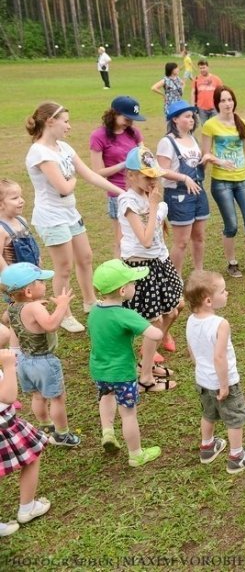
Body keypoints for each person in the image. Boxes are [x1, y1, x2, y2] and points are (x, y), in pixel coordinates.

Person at [25, 102, 125, 333]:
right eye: (65, 121)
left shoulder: (64, 147)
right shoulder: (40, 152)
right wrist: (74, 182)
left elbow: (89, 174)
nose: (69, 126)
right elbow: (63, 186)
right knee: (64, 268)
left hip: (70, 213)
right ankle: (64, 313)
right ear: (50, 121)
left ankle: (90, 302)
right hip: (51, 217)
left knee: (86, 257)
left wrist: (122, 193)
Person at [117, 146, 183, 390]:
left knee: (176, 309)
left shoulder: (150, 196)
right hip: (140, 267)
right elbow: (144, 240)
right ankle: (145, 377)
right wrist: (155, 205)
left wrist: (154, 202)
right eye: (147, 176)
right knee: (152, 323)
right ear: (131, 175)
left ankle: (147, 358)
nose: (153, 181)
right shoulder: (128, 201)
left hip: (159, 262)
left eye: (155, 176)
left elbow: (157, 237)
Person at [184, 270, 245, 473]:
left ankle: (207, 446)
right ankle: (237, 456)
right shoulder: (220, 324)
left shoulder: (191, 320)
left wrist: (201, 370)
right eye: (223, 291)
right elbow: (219, 357)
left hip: (203, 379)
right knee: (235, 418)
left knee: (208, 413)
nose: (227, 293)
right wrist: (225, 384)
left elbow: (192, 350)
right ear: (209, 300)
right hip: (222, 381)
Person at [88, 259, 164, 467]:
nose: (135, 285)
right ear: (123, 291)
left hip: (99, 369)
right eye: (132, 283)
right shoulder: (126, 315)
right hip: (122, 372)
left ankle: (108, 431)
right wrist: (149, 326)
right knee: (128, 413)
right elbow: (156, 333)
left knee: (105, 397)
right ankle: (136, 454)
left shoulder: (94, 310)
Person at [1, 263, 78, 446]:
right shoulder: (35, 308)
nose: (45, 284)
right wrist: (62, 305)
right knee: (57, 398)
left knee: (37, 396)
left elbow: (6, 319)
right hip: (44, 361)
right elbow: (51, 324)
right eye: (41, 281)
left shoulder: (12, 307)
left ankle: (46, 426)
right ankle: (62, 435)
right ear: (28, 291)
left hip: (24, 361)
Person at [201, 86, 245, 278]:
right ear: (217, 104)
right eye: (223, 100)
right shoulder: (210, 125)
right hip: (221, 182)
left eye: (230, 100)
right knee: (231, 225)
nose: (227, 104)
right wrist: (219, 160)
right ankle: (232, 262)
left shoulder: (243, 124)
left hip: (243, 180)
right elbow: (205, 155)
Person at [0, 347, 50, 536]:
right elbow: (7, 396)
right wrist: (9, 366)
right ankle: (27, 507)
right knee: (32, 456)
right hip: (3, 423)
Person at [156, 100, 209, 273]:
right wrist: (184, 178)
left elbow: (196, 165)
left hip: (198, 191)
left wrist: (207, 161)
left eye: (192, 115)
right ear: (175, 120)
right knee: (181, 242)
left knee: (199, 237)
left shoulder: (192, 138)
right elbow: (161, 170)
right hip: (178, 194)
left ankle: (198, 272)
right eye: (187, 116)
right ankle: (175, 278)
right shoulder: (167, 142)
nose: (192, 119)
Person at [89, 96, 145, 259]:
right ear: (114, 114)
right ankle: (120, 278)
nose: (130, 123)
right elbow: (97, 172)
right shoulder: (99, 136)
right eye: (127, 118)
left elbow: (144, 156)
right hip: (118, 193)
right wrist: (124, 164)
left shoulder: (134, 133)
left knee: (142, 237)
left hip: (139, 190)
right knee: (122, 240)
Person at [0, 180, 41, 271]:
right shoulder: (1, 229)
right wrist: (8, 274)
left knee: (39, 286)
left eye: (20, 196)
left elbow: (32, 246)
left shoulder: (22, 221)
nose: (21, 201)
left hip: (33, 271)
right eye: (15, 198)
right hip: (16, 279)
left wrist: (38, 263)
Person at [192, 60, 223, 125]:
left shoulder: (216, 79)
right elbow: (193, 93)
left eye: (204, 68)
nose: (202, 70)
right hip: (201, 108)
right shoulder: (196, 79)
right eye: (200, 68)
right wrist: (193, 106)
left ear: (208, 67)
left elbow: (222, 92)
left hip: (214, 107)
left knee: (214, 126)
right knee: (205, 127)